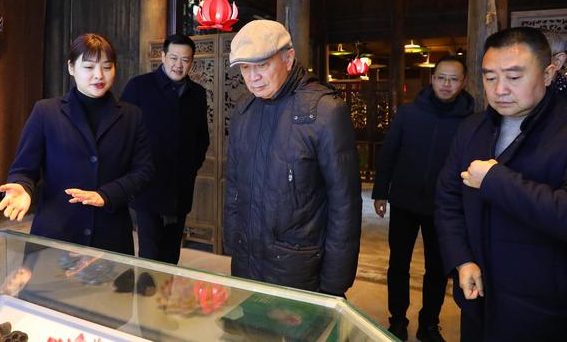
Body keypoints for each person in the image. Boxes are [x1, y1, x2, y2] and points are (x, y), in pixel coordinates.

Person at [435, 27, 567, 341]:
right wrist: (462, 259)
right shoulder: (473, 127)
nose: (500, 90)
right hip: (479, 296)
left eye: (514, 77)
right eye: (490, 77)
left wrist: (496, 180)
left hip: (544, 307)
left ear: (548, 74)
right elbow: (447, 199)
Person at [223, 20, 362, 297]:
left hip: (298, 266)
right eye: (245, 68)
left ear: (288, 58)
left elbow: (344, 204)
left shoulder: (324, 111)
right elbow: (234, 186)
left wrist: (335, 283)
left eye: (262, 65)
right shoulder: (243, 110)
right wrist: (232, 242)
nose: (253, 77)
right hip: (247, 260)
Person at [0, 33, 154, 255]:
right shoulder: (46, 112)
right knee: (48, 280)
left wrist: (106, 195)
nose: (99, 75)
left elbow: (144, 171)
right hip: (56, 232)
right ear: (71, 67)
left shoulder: (132, 116)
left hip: (110, 235)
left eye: (107, 67)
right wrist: (22, 187)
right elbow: (24, 169)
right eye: (89, 67)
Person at [372, 56, 474, 342]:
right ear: (432, 78)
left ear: (463, 82)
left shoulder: (470, 120)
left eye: (453, 79)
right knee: (398, 264)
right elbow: (389, 153)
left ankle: (429, 323)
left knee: (438, 269)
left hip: (443, 207)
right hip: (404, 201)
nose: (446, 84)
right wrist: (380, 192)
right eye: (441, 77)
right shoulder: (409, 113)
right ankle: (397, 320)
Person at [120, 33, 209, 264]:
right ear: (162, 57)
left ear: (192, 62)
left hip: (181, 186)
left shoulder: (197, 93)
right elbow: (122, 132)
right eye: (173, 58)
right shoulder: (139, 86)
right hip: (148, 185)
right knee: (149, 252)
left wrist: (190, 167)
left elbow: (202, 138)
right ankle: (146, 288)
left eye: (185, 60)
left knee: (172, 253)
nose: (179, 65)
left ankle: (167, 289)